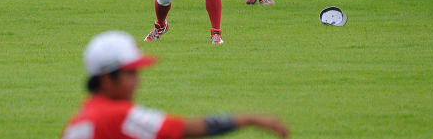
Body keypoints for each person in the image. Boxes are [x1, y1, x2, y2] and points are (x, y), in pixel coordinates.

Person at [61, 30, 290, 139]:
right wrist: (249, 119)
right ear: (106, 79)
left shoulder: (83, 116)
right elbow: (184, 129)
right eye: (131, 73)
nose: (138, 81)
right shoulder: (117, 115)